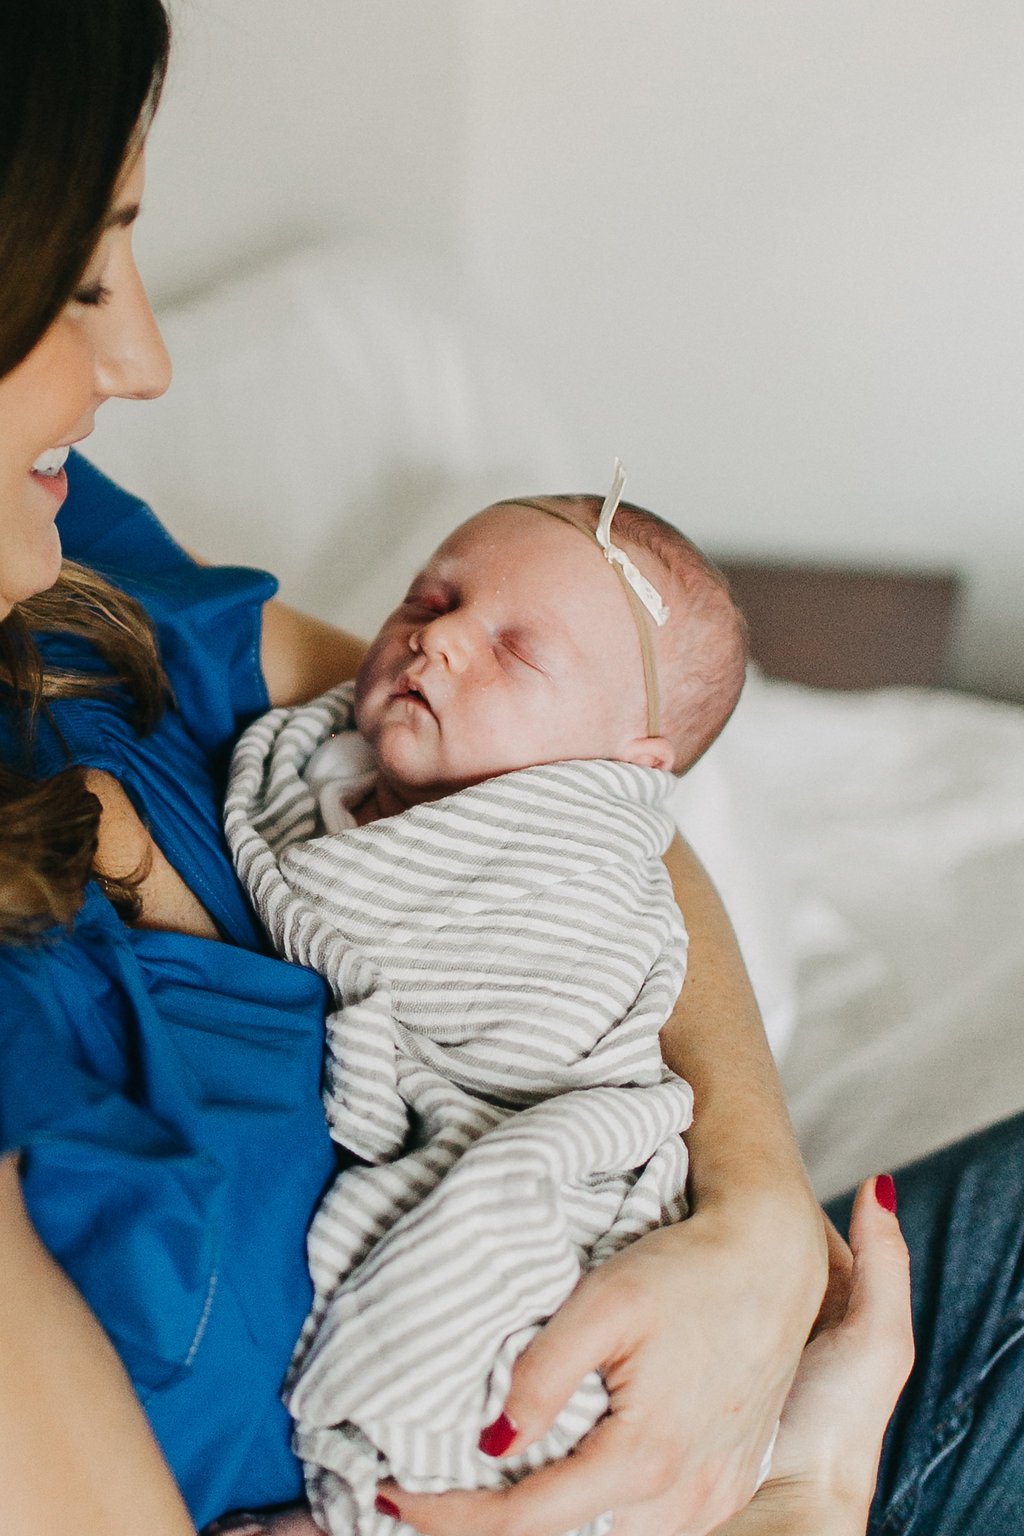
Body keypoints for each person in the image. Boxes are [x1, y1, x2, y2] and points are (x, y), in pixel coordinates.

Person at [0, 5, 1011, 1536]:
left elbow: (579, 801)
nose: (141, 358)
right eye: (76, 282)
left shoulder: (65, 562)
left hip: (666, 1336)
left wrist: (751, 1216)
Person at [222, 487, 748, 1533]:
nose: (440, 639)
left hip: (530, 1125)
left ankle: (392, 1505)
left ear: (622, 769)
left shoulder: (569, 873)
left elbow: (525, 1038)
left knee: (489, 1282)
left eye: (518, 652)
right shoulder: (319, 760)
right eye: (429, 598)